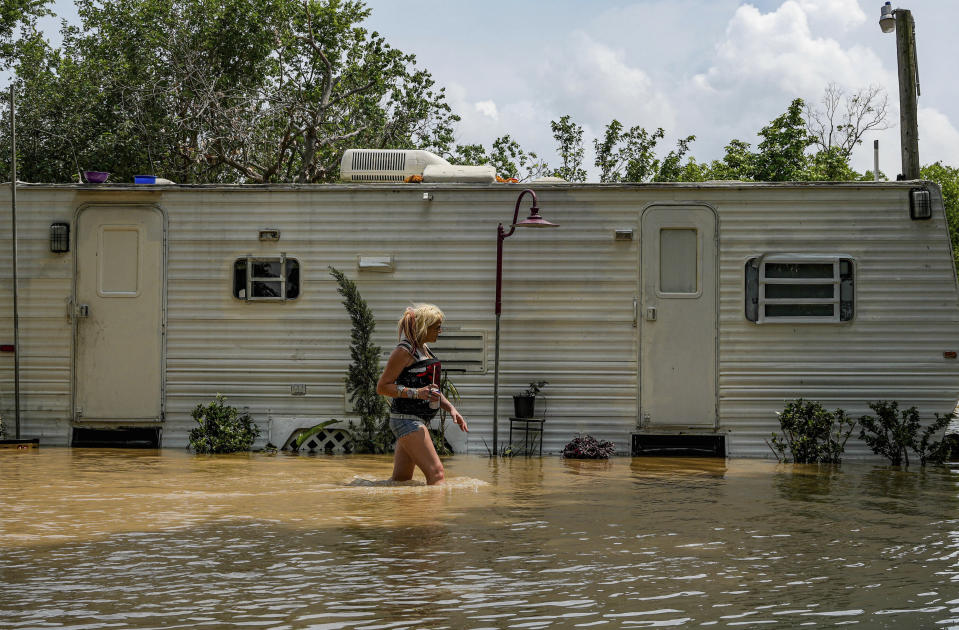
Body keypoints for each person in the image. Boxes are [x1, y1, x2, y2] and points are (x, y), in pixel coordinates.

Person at [376, 304, 468, 485]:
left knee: (401, 481)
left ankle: (406, 513)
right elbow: (383, 387)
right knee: (437, 474)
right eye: (437, 327)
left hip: (412, 420)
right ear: (424, 328)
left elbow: (431, 390)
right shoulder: (404, 351)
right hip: (407, 420)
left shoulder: (424, 349)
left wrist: (451, 409)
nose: (440, 331)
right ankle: (433, 514)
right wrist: (417, 393)